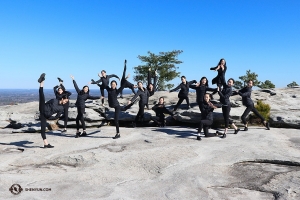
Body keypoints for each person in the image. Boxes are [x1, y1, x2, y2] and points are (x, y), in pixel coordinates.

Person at [38, 73, 69, 148]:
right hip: (42, 108)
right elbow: (47, 103)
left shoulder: (61, 108)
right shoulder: (54, 100)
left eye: (66, 102)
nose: (65, 102)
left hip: (45, 115)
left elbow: (56, 117)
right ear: (62, 99)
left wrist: (49, 117)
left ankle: (46, 144)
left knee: (43, 129)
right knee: (42, 96)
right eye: (65, 100)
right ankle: (42, 82)